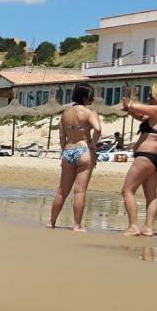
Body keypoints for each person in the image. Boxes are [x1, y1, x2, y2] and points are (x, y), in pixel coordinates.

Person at [119, 85, 157, 236]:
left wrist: (129, 104)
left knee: (127, 191)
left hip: (146, 157)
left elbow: (138, 107)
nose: (148, 98)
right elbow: (142, 116)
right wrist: (130, 111)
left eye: (151, 96)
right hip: (155, 158)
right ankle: (148, 228)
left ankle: (133, 226)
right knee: (151, 195)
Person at [48, 83, 102, 232]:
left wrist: (63, 150)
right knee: (80, 191)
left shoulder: (66, 113)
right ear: (85, 97)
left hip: (68, 150)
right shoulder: (90, 112)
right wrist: (92, 143)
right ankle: (77, 225)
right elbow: (97, 129)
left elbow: (61, 135)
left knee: (61, 191)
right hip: (83, 150)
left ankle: (52, 222)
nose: (92, 99)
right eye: (91, 96)